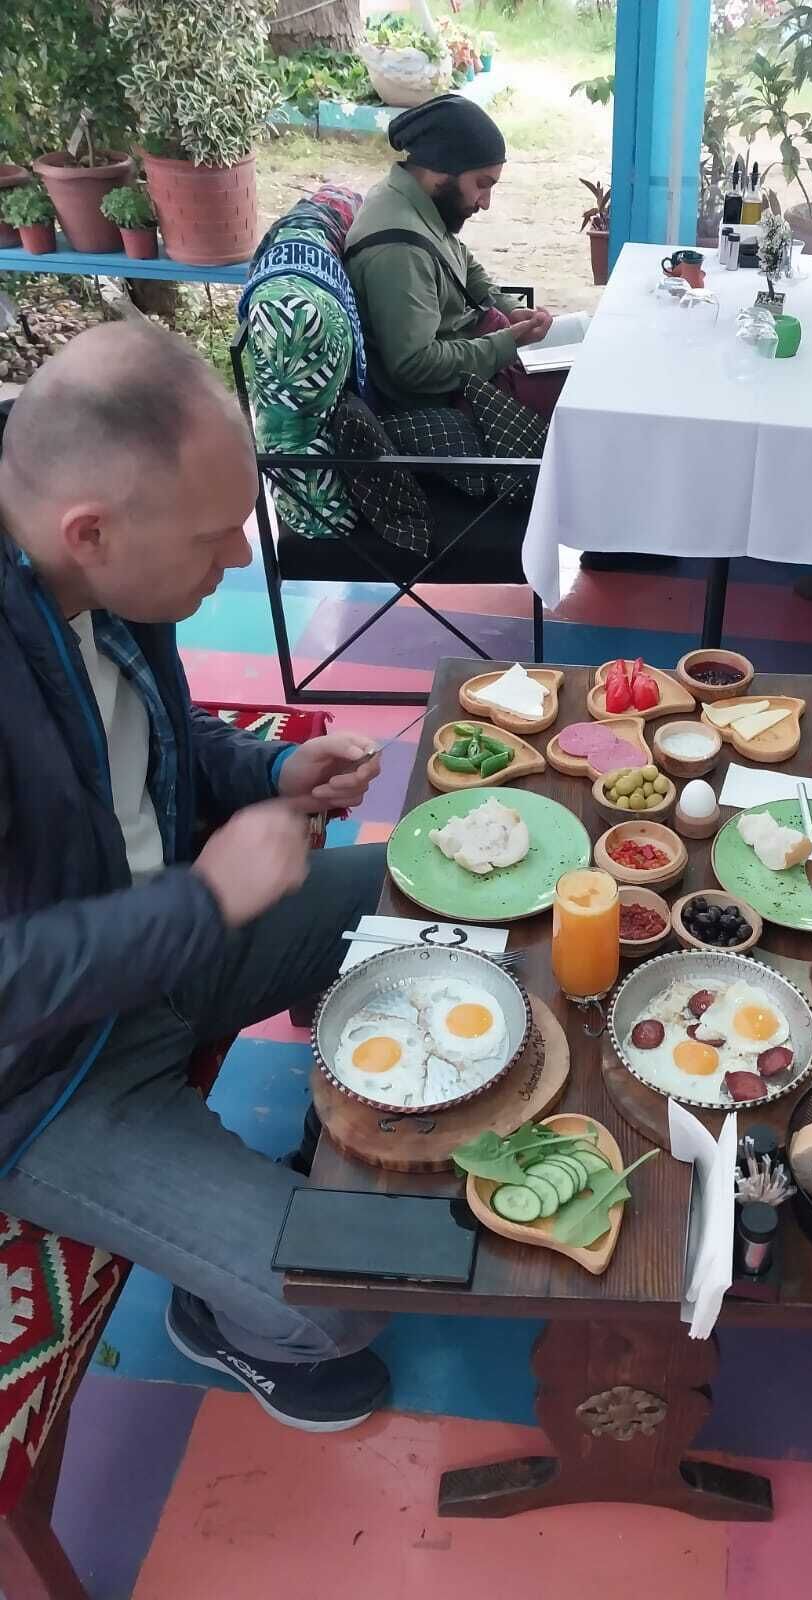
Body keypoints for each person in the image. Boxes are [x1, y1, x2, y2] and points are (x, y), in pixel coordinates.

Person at [0, 323, 395, 1432]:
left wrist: (268, 766)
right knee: (348, 1300)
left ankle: (342, 1113)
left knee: (412, 894)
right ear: (92, 530)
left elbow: (147, 734)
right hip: (47, 1072)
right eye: (217, 537)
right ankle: (224, 1318)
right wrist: (210, 897)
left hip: (166, 948)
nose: (238, 561)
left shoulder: (92, 559)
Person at [345, 93, 554, 412]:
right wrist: (507, 344)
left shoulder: (413, 199)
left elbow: (462, 263)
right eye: (482, 184)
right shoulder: (400, 251)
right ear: (442, 168)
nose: (485, 202)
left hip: (477, 353)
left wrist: (509, 308)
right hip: (451, 395)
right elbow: (414, 365)